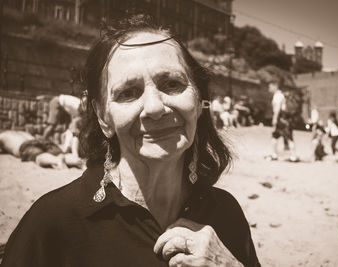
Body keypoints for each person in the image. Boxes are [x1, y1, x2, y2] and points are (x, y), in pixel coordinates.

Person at [2, 15, 260, 267]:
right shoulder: (53, 223)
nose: (154, 107)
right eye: (128, 93)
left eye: (171, 84)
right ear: (104, 117)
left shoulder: (226, 214)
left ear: (199, 102)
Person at [0, 130, 82, 169]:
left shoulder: (2, 136)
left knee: (39, 156)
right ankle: (78, 161)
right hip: (41, 140)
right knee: (60, 153)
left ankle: (57, 160)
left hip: (25, 144)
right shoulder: (21, 132)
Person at [268, 78, 298, 161]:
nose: (269, 89)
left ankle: (292, 156)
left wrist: (274, 119)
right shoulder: (281, 95)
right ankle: (277, 154)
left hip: (281, 119)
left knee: (286, 137)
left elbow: (277, 108)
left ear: (275, 86)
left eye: (270, 86)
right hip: (285, 119)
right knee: (276, 136)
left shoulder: (277, 96)